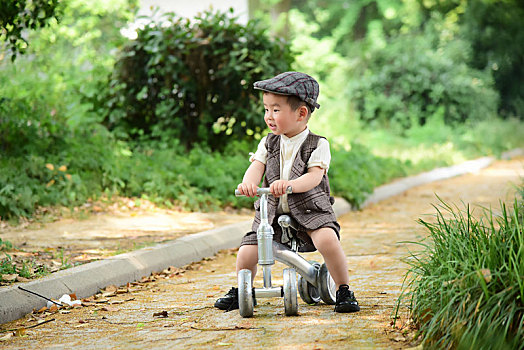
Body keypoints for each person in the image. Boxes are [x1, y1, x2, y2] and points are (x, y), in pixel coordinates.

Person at [214, 71, 360, 313]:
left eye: (276, 110)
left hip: (310, 208)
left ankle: (343, 289)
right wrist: (248, 183)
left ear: (301, 113)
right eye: (266, 109)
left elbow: (314, 177)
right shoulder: (268, 142)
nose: (268, 117)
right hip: (270, 212)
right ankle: (242, 290)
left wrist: (290, 184)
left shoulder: (318, 144)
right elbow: (256, 166)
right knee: (247, 251)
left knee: (327, 240)